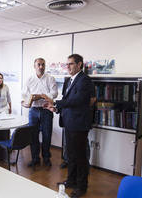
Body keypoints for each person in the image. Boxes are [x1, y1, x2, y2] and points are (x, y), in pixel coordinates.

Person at [44, 54, 93, 198]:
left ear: (79, 65)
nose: (68, 67)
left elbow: (77, 100)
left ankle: (82, 186)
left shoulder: (85, 80)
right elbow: (67, 100)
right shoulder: (68, 80)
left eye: (71, 64)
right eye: (67, 64)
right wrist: (56, 109)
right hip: (68, 122)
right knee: (70, 155)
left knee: (80, 157)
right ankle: (71, 181)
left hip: (79, 124)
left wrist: (56, 103)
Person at [21, 58, 58, 167]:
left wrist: (42, 96)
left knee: (47, 135)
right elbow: (24, 94)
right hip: (33, 110)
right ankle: (35, 158)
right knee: (33, 136)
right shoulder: (29, 79)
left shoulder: (50, 78)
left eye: (43, 65)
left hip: (46, 110)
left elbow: (54, 93)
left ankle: (46, 158)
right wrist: (33, 98)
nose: (41, 67)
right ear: (34, 66)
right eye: (39, 65)